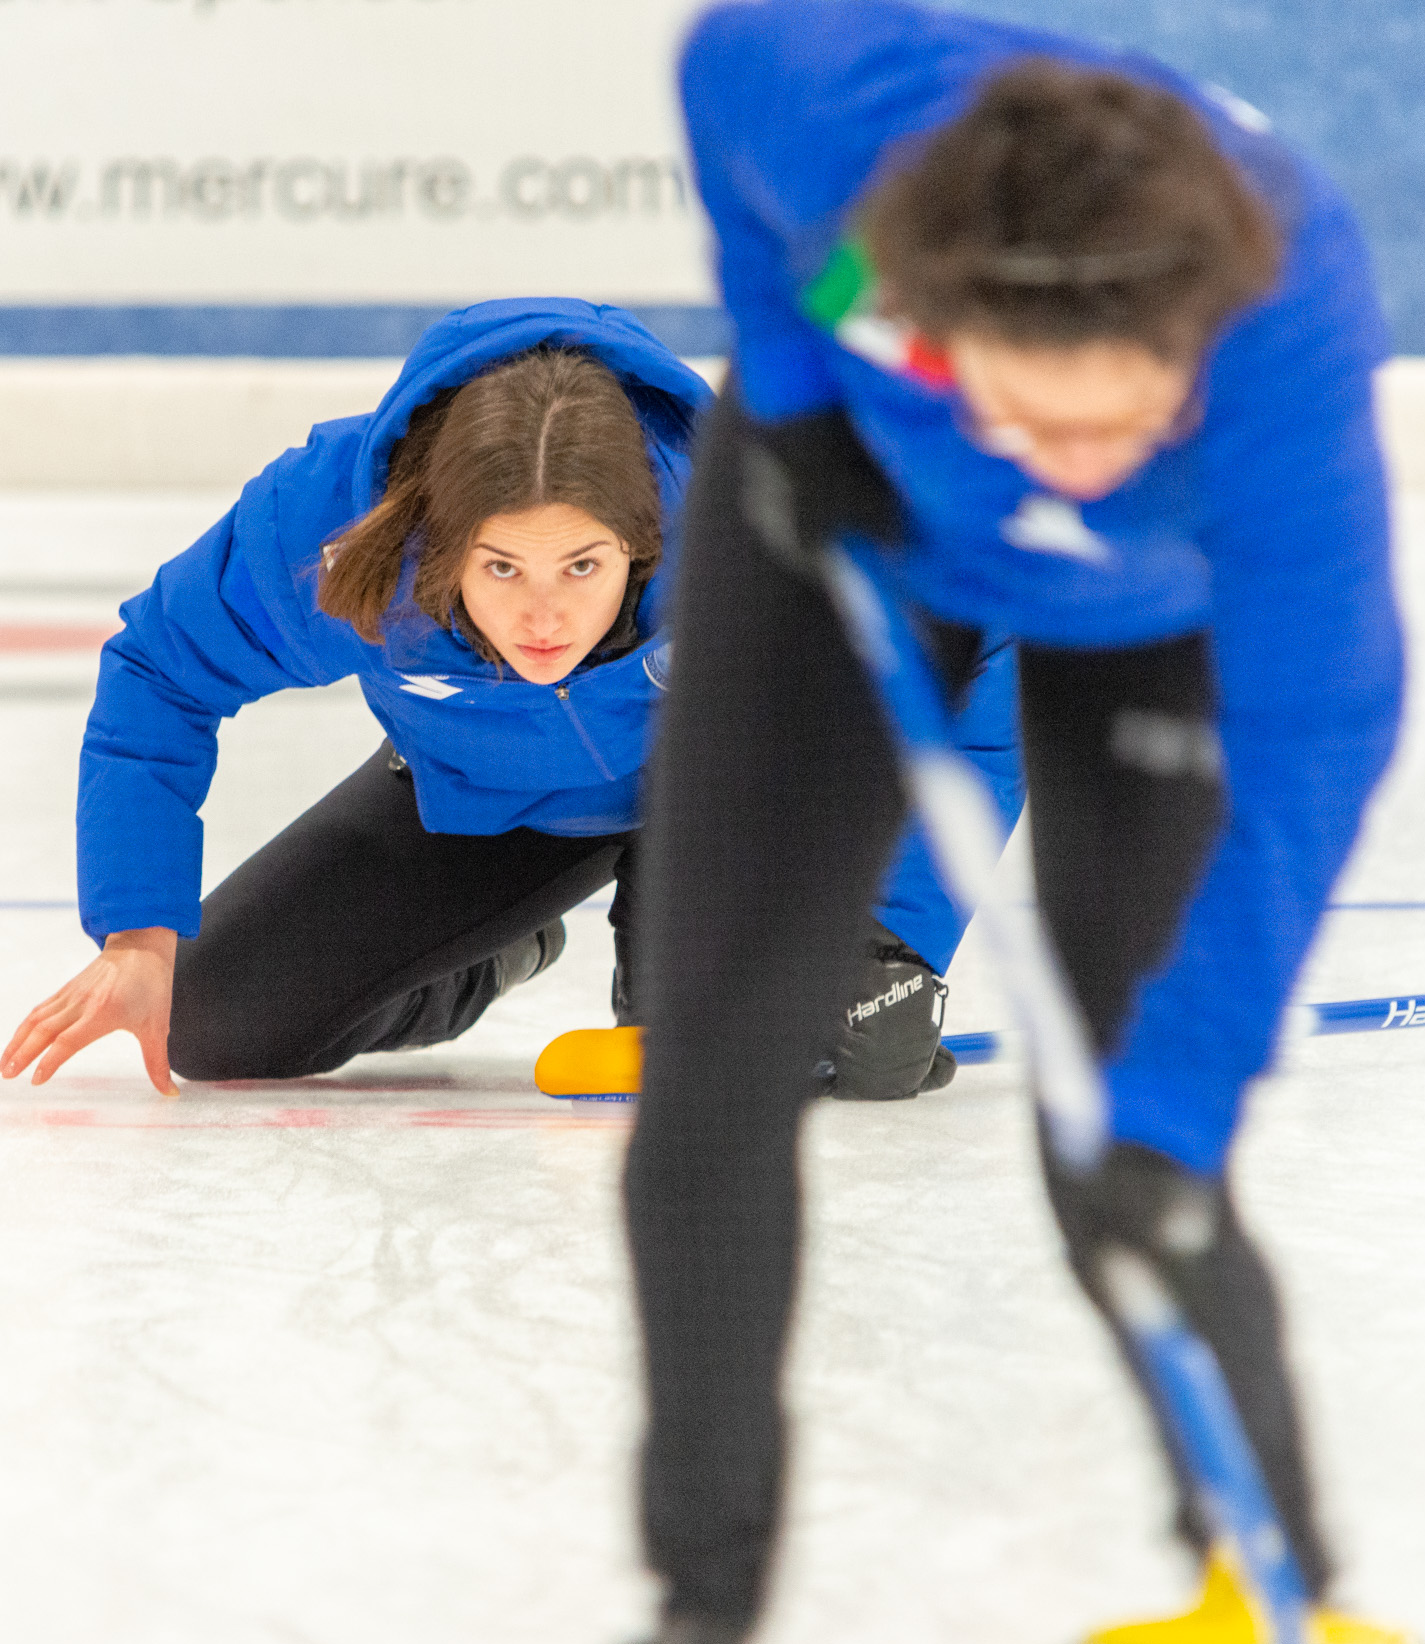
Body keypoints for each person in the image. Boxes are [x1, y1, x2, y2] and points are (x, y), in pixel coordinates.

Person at [580, 5, 1404, 1644]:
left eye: (1116, 428)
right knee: (713, 1075)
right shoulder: (838, 127)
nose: (1068, 472)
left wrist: (1181, 1088)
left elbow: (1317, 739)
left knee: (1127, 1136)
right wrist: (796, 395)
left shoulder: (1281, 323)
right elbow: (719, 65)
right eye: (1029, 418)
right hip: (852, 524)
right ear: (935, 321)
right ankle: (695, 1628)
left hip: (1158, 626)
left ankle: (1264, 1578)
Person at [0, 296, 1014, 1101]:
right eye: (499, 568)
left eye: (582, 566)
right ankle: (501, 951)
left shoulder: (754, 504)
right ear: (439, 544)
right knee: (209, 1023)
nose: (543, 617)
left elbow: (988, 639)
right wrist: (136, 935)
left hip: (727, 780)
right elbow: (160, 672)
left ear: (642, 540)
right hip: (489, 794)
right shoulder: (334, 527)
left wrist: (895, 941)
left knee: (700, 1058)